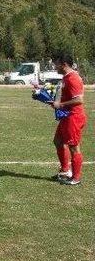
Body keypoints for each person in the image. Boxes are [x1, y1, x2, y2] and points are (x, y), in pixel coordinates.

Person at [51, 53, 87, 185]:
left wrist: (61, 105)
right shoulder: (66, 78)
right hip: (66, 116)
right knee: (58, 141)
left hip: (74, 117)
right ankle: (65, 170)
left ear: (64, 64)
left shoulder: (73, 78)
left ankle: (76, 178)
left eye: (56, 64)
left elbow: (79, 99)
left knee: (74, 147)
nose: (55, 67)